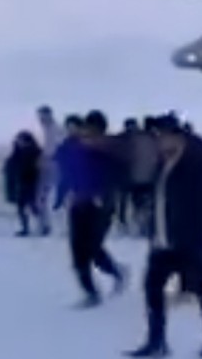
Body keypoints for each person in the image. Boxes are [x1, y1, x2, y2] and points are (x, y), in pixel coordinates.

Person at [127, 115, 202, 358]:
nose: (158, 142)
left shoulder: (195, 164)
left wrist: (197, 237)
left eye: (161, 137)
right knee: (152, 289)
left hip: (187, 241)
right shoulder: (162, 164)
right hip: (162, 241)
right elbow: (159, 198)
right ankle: (156, 341)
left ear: (176, 137)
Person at [59, 110, 128, 308]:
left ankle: (117, 273)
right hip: (78, 203)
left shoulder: (108, 148)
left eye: (92, 130)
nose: (85, 133)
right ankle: (91, 293)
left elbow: (118, 173)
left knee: (93, 248)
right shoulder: (71, 146)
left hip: (99, 205)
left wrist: (105, 195)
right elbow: (67, 171)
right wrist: (61, 194)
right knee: (77, 251)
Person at [3, 131, 50, 237]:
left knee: (31, 206)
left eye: (20, 140)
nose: (19, 142)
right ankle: (33, 227)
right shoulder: (22, 152)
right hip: (24, 183)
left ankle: (38, 227)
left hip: (30, 183)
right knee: (26, 207)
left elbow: (37, 167)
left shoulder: (33, 152)